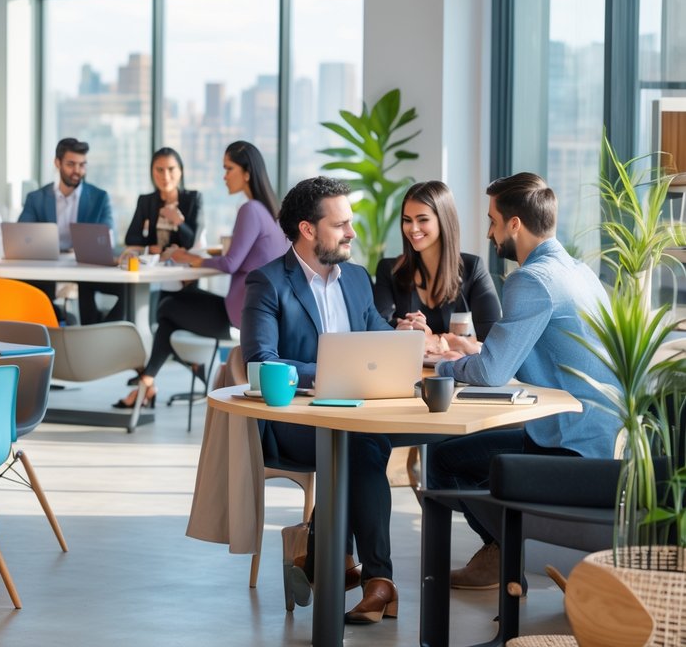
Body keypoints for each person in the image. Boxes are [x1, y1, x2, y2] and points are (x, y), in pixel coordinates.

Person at [427, 173, 620, 590]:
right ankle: (501, 554)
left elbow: (492, 373)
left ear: (515, 224)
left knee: (443, 459)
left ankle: (503, 553)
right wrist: (470, 352)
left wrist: (439, 369)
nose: (489, 232)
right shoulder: (578, 272)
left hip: (572, 449)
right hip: (605, 441)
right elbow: (519, 353)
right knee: (464, 454)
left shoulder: (530, 280)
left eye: (493, 221)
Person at [240, 176, 398, 625]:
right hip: (293, 423)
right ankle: (374, 579)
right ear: (308, 230)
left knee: (361, 444)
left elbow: (377, 339)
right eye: (341, 224)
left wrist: (411, 347)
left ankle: (324, 560)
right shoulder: (267, 283)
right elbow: (261, 362)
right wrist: (333, 372)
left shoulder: (357, 278)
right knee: (362, 447)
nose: (351, 233)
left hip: (356, 416)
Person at [117, 141, 286, 409]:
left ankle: (154, 379)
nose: (223, 175)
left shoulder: (250, 209)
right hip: (252, 314)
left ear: (246, 173)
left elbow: (230, 263)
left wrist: (193, 259)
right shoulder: (269, 212)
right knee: (173, 310)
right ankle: (149, 380)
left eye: (228, 168)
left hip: (241, 318)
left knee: (168, 307)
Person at [373, 181, 502, 351]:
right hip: (407, 373)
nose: (413, 228)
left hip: (458, 376)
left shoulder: (473, 268)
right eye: (407, 220)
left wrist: (433, 339)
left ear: (443, 220)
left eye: (423, 219)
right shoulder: (389, 270)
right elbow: (376, 330)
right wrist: (400, 328)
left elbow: (493, 342)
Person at [17, 137, 116, 324]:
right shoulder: (36, 198)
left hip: (85, 267)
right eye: (71, 164)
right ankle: (50, 331)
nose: (77, 171)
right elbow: (22, 235)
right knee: (33, 294)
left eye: (82, 165)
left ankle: (92, 337)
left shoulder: (99, 197)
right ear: (57, 163)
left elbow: (109, 235)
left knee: (96, 296)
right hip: (47, 266)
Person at [123, 147, 201, 254]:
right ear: (152, 172)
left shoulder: (193, 199)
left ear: (180, 171)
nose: (165, 176)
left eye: (171, 169)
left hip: (183, 264)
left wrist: (178, 221)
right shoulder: (145, 201)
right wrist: (153, 248)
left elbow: (191, 242)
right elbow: (131, 238)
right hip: (153, 263)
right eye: (159, 170)